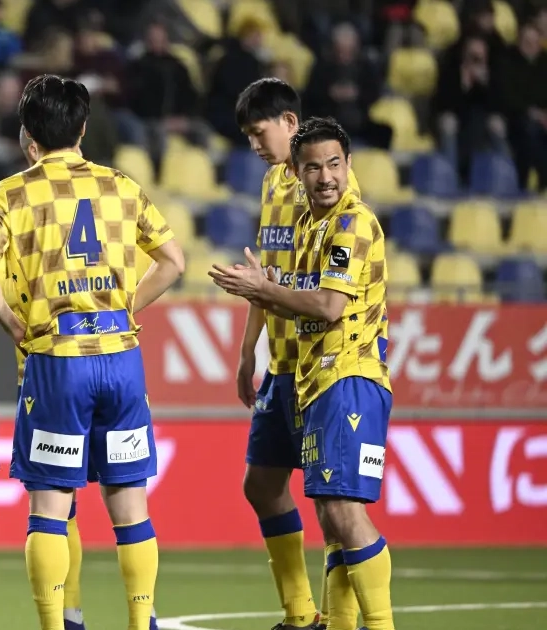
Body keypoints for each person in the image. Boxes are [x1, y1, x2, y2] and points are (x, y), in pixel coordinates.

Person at [0, 74, 185, 630]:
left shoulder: (10, 194)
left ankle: (55, 624)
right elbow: (174, 262)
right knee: (130, 506)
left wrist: (15, 325)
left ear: (27, 135)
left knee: (50, 506)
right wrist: (126, 308)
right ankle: (142, 622)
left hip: (58, 360)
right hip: (120, 358)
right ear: (83, 129)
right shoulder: (121, 186)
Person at [211, 116, 394, 630]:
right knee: (333, 514)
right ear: (297, 172)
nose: (326, 177)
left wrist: (263, 290)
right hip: (318, 380)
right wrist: (262, 292)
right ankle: (333, 622)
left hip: (350, 376)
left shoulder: (350, 223)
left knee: (344, 513)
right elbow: (302, 303)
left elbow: (330, 306)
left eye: (334, 164)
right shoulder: (309, 228)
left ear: (349, 165)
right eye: (313, 168)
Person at [233, 78, 361, 630]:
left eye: (259, 132)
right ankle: (301, 616)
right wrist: (248, 351)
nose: (254, 144)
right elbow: (267, 275)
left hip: (322, 361)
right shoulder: (271, 183)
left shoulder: (331, 186)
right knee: (261, 484)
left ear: (289, 122)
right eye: (247, 136)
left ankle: (341, 618)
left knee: (331, 503)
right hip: (281, 361)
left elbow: (334, 282)